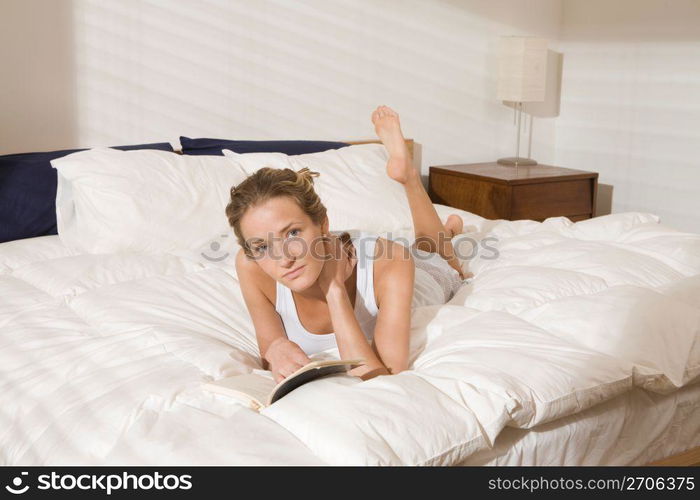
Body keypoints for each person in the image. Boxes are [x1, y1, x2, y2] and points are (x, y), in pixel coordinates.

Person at [226, 105, 472, 383]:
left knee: (440, 256)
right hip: (347, 249)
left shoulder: (391, 260)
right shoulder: (250, 265)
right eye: (261, 246)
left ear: (323, 223)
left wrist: (334, 291)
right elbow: (270, 346)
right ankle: (451, 228)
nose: (283, 259)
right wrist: (276, 349)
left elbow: (385, 377)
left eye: (293, 233)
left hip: (412, 272)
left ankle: (410, 178)